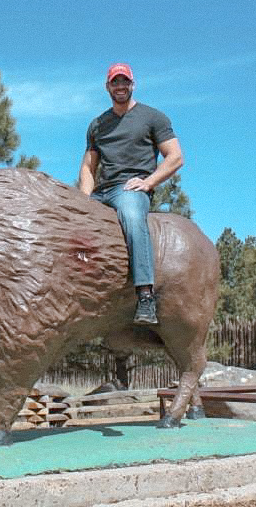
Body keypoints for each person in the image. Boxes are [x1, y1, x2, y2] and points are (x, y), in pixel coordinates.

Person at [78, 62, 184, 325]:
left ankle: (145, 296)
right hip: (101, 192)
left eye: (124, 81)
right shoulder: (97, 125)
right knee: (69, 225)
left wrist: (148, 183)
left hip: (129, 189)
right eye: (115, 82)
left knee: (133, 218)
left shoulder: (153, 118)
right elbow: (88, 167)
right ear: (107, 87)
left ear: (133, 85)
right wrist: (83, 201)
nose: (120, 86)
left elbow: (175, 157)